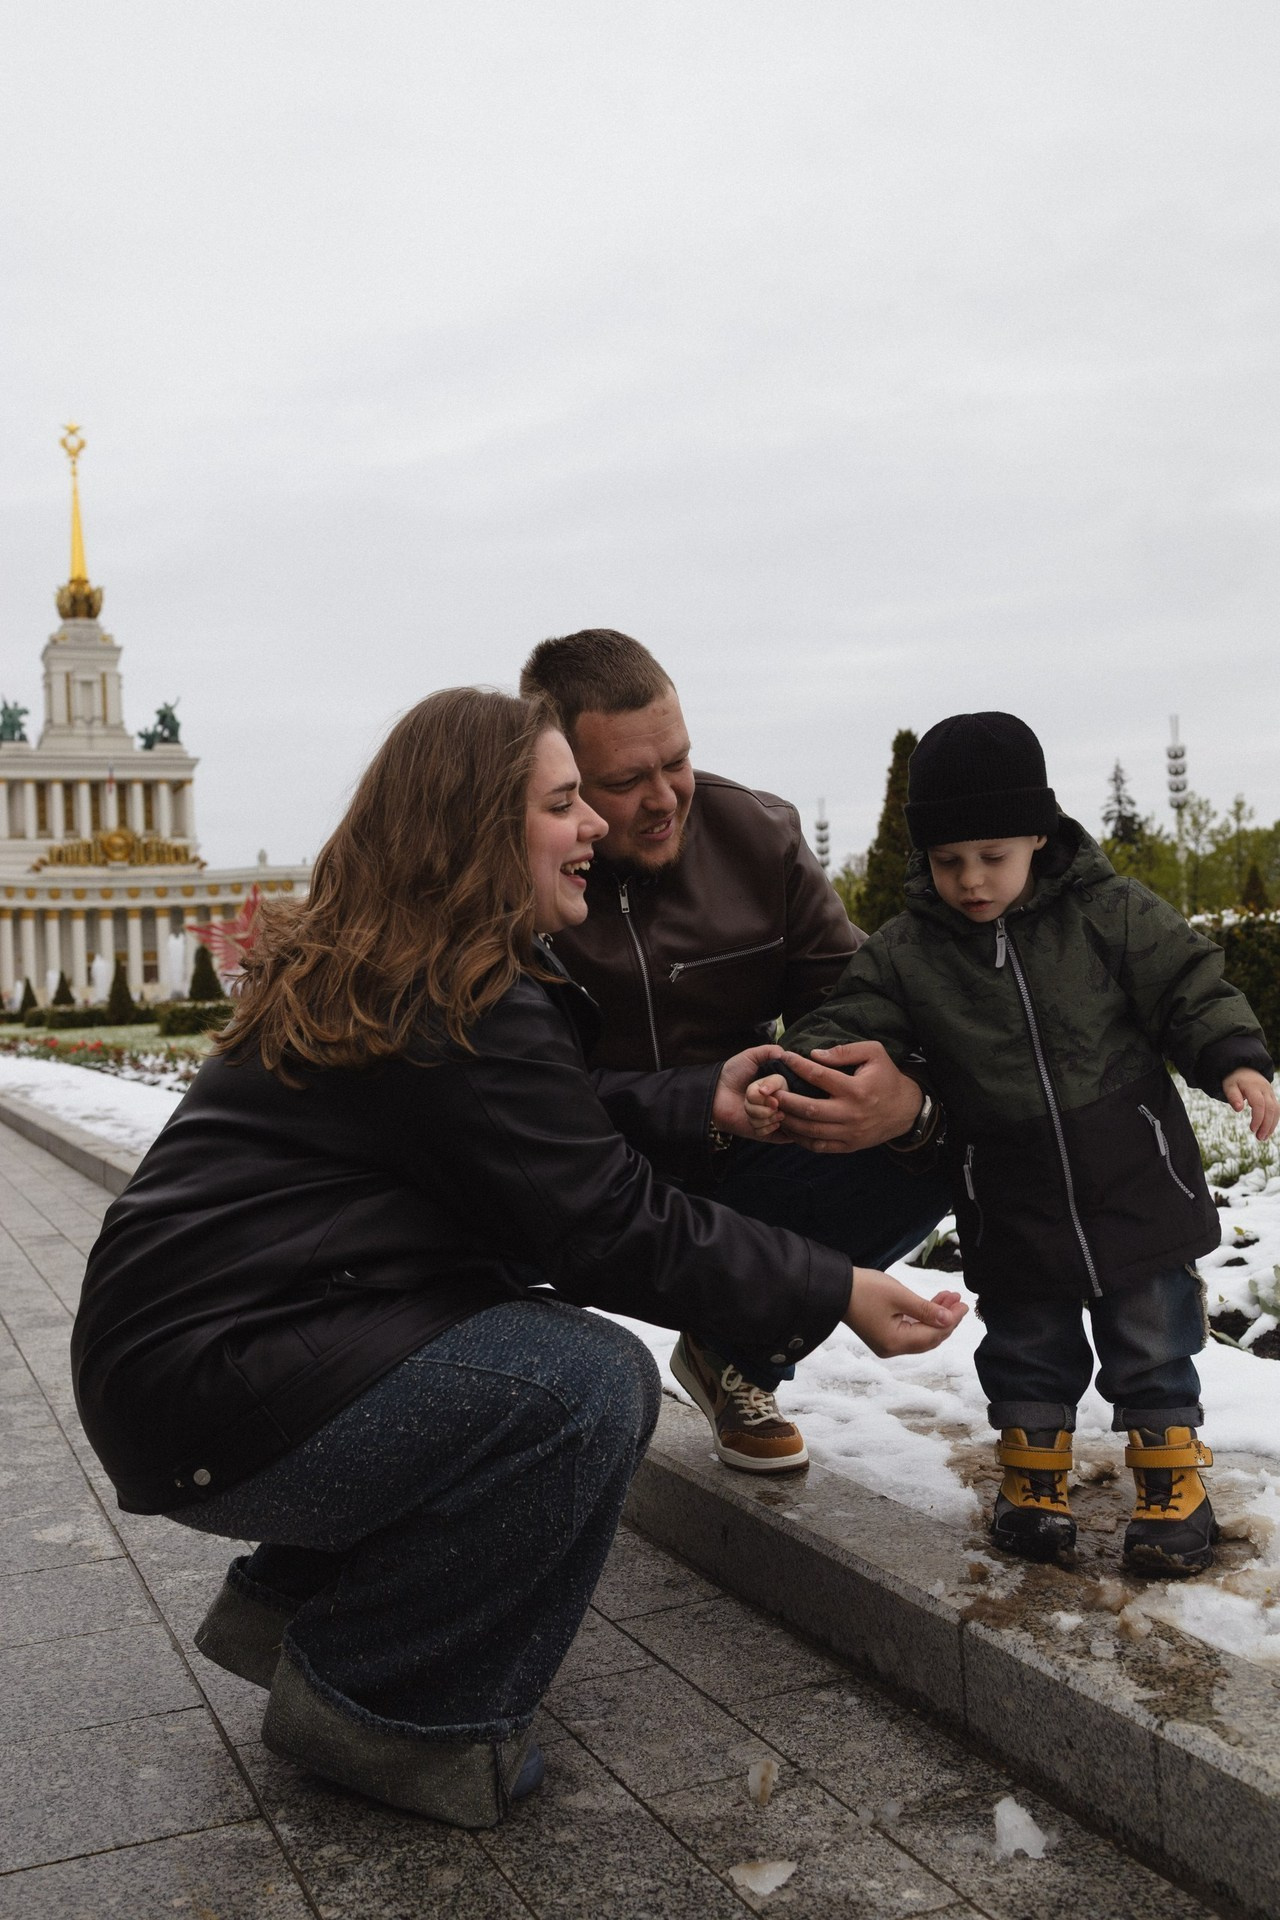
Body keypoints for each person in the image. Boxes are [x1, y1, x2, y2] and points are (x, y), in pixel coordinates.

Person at [70, 687, 966, 1829]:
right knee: (579, 1387)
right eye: (560, 802)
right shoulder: (464, 1001)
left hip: (189, 1367)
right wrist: (830, 1285)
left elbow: (536, 1118)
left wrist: (702, 1099)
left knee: (504, 1333)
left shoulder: (415, 973)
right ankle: (388, 1710)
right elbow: (603, 1225)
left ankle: (298, 1620)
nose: (593, 822)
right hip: (212, 1386)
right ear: (474, 830)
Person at [748, 711, 1277, 1577]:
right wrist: (797, 1068)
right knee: (1026, 1345)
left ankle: (1170, 1484)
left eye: (992, 856)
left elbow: (1189, 984)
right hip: (1009, 1195)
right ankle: (1033, 1482)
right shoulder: (909, 952)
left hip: (1136, 1183)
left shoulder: (1112, 913)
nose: (971, 880)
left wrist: (1235, 1061)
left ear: (1039, 832)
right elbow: (846, 1018)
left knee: (1155, 1336)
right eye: (948, 861)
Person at [519, 629, 950, 1472]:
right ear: (554, 775)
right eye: (622, 781)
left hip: (736, 1151)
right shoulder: (513, 873)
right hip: (568, 1163)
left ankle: (735, 1354)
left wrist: (899, 1099)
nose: (664, 797)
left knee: (931, 1126)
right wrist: (693, 1094)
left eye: (675, 761)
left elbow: (865, 1000)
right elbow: (503, 1099)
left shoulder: (757, 833)